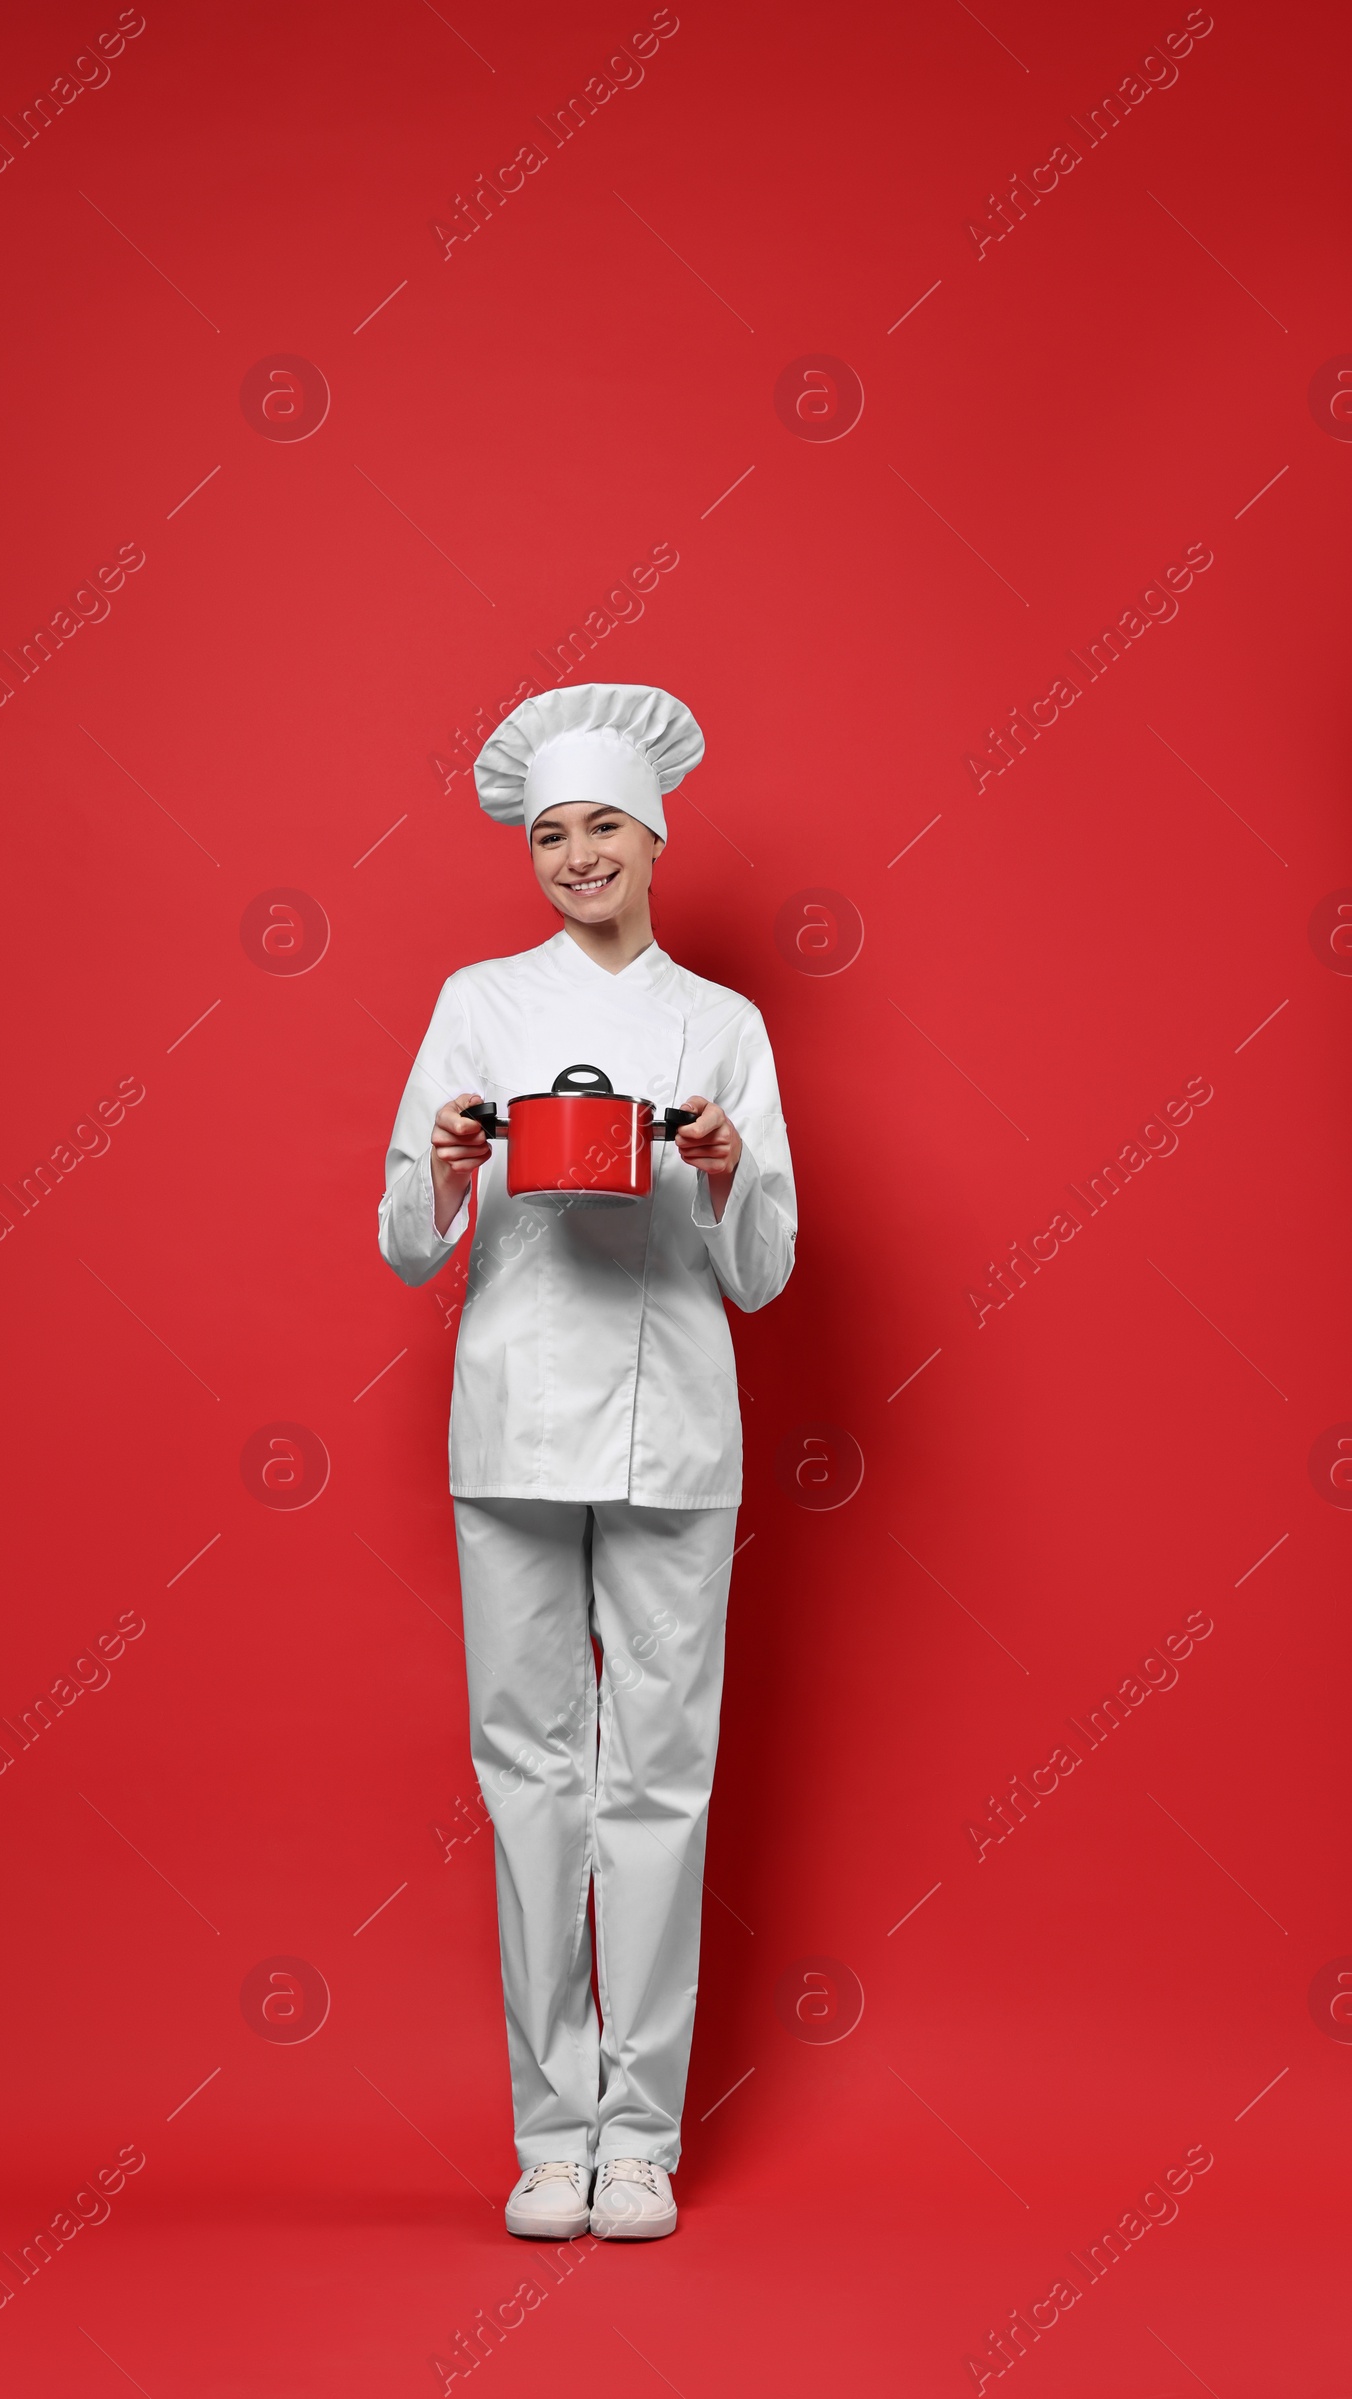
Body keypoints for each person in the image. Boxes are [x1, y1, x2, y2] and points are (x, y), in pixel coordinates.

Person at [377, 682, 797, 2242]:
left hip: (678, 1426)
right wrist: (449, 1161)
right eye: (549, 833)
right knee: (531, 1776)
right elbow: (405, 1240)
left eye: (601, 825)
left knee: (660, 1784)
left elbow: (764, 1272)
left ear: (654, 835)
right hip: (511, 1421)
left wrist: (725, 1167)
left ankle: (643, 2138)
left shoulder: (723, 1026)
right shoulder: (478, 1003)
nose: (574, 854)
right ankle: (553, 2133)